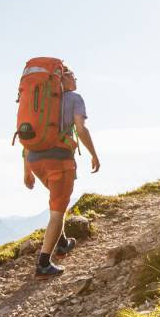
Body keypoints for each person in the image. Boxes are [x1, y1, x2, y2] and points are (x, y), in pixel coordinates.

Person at [23, 66, 100, 279]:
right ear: (64, 78)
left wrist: (27, 170)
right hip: (59, 160)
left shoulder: (39, 102)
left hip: (36, 160)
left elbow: (29, 134)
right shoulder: (74, 98)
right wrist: (94, 154)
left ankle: (63, 243)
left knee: (58, 201)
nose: (76, 79)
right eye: (73, 75)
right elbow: (81, 129)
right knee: (57, 211)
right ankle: (44, 263)